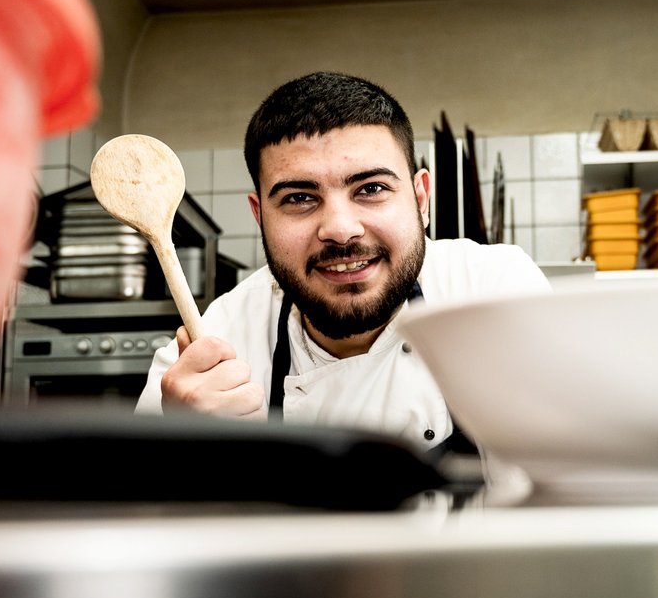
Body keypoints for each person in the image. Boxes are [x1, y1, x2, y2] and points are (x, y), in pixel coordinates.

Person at [135, 71, 551, 452]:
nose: (339, 229)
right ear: (260, 216)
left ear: (421, 200)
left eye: (370, 188)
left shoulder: (496, 294)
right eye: (299, 198)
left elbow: (565, 492)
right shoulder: (213, 347)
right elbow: (130, 520)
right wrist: (183, 455)